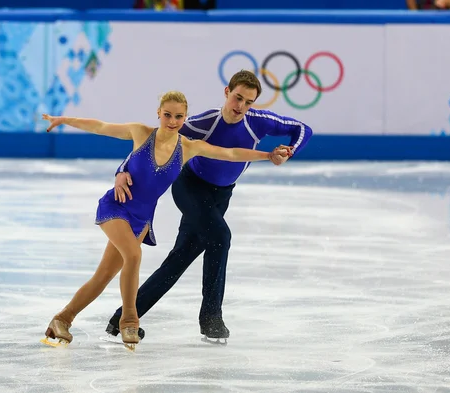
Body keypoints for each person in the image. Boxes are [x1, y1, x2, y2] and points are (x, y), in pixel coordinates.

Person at [40, 90, 291, 348]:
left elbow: (230, 154)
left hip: (141, 219)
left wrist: (268, 156)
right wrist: (65, 119)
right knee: (134, 256)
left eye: (178, 116)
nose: (172, 121)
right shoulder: (141, 133)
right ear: (158, 113)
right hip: (117, 207)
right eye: (167, 115)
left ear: (185, 118)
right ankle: (129, 322)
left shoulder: (189, 147)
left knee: (103, 276)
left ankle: (63, 319)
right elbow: (101, 127)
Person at [105, 70, 313, 343]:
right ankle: (211, 318)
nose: (241, 106)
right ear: (227, 92)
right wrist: (122, 170)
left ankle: (119, 320)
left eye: (248, 102)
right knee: (220, 237)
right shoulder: (202, 123)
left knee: (178, 261)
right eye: (238, 98)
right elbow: (150, 142)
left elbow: (303, 129)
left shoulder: (259, 122)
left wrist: (289, 151)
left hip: (220, 197)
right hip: (190, 188)